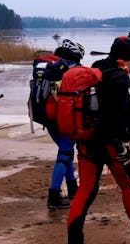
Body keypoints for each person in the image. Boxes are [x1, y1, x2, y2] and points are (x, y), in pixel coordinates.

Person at [68, 36, 130, 244]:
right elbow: (120, 115)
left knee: (85, 189)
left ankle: (74, 239)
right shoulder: (122, 77)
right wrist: (124, 144)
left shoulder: (96, 67)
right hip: (111, 144)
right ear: (128, 57)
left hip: (87, 141)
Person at [46, 39, 85, 211]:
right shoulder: (70, 68)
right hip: (63, 118)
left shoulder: (49, 66)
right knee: (64, 154)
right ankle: (53, 195)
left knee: (66, 153)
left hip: (47, 116)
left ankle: (72, 187)